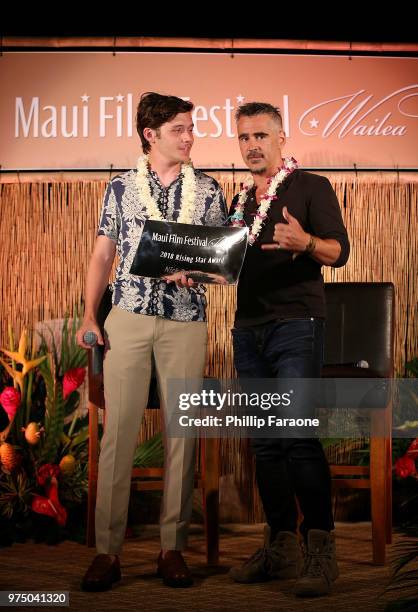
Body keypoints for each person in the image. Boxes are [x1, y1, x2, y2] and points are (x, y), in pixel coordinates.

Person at [77, 92, 227, 591]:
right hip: (127, 318)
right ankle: (107, 552)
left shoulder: (207, 191)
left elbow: (221, 261)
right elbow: (103, 255)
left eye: (191, 128)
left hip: (185, 320)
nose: (190, 137)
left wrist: (198, 272)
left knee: (182, 435)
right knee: (118, 433)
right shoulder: (120, 188)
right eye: (180, 129)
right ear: (151, 134)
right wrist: (89, 314)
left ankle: (173, 548)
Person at [228, 102, 350, 597]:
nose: (252, 144)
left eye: (260, 135)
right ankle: (280, 547)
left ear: (281, 137)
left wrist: (306, 242)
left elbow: (339, 252)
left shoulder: (311, 186)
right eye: (244, 137)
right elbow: (224, 263)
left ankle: (320, 549)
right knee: (265, 443)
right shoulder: (237, 202)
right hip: (248, 330)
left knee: (297, 436)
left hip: (297, 325)